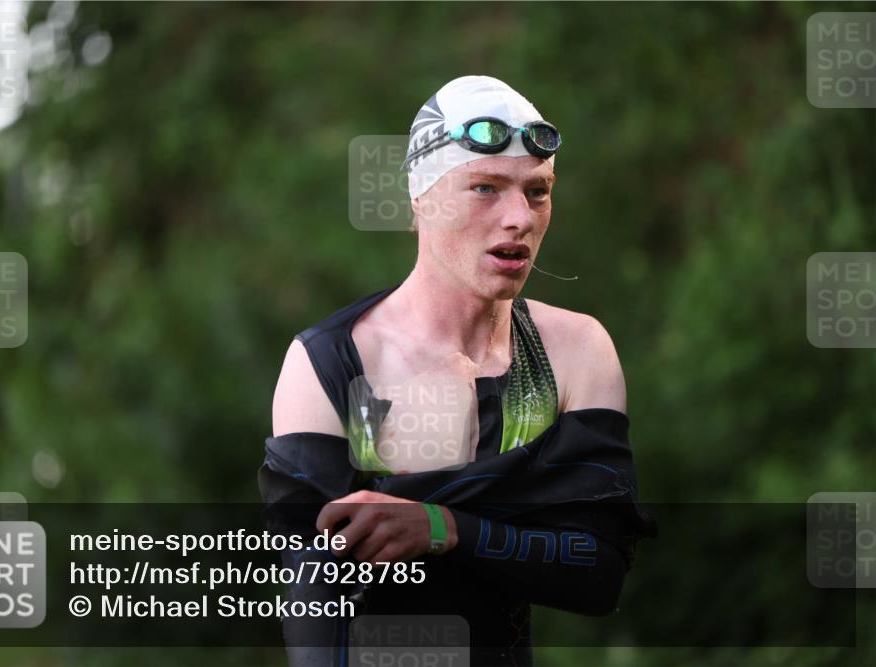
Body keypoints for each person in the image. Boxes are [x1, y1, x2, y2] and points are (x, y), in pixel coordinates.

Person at [260, 75, 655, 667]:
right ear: (422, 198)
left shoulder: (574, 351)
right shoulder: (334, 364)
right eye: (485, 188)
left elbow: (597, 573)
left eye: (538, 191)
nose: (519, 217)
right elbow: (315, 607)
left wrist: (442, 527)